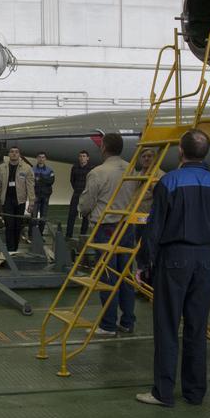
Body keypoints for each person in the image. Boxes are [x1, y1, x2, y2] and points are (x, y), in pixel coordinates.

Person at [135, 128, 210, 407]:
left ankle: (163, 392)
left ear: (180, 150)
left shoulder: (169, 182)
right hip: (205, 262)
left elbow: (155, 228)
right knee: (197, 329)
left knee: (167, 326)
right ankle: (195, 392)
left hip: (174, 260)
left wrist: (143, 263)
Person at [78, 133, 138, 335]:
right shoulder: (132, 168)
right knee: (126, 275)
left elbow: (86, 204)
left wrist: (83, 212)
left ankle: (108, 324)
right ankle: (128, 321)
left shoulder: (98, 172)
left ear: (103, 147)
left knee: (107, 277)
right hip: (127, 227)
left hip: (106, 229)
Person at [0, 146, 35, 254]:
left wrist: (31, 202)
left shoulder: (26, 168)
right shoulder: (2, 168)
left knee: (17, 225)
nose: (14, 154)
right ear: (8, 154)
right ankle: (10, 249)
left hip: (20, 201)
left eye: (16, 152)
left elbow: (30, 186)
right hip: (7, 200)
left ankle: (15, 247)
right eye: (12, 152)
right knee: (9, 224)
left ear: (19, 154)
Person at [66, 150, 92, 239]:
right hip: (76, 193)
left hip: (86, 195)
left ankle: (82, 235)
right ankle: (68, 235)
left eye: (84, 156)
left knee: (85, 217)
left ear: (87, 158)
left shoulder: (91, 169)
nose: (82, 158)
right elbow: (72, 180)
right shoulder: (75, 167)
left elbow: (92, 182)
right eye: (80, 156)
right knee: (72, 215)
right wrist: (77, 189)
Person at [136, 147, 166, 218]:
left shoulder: (161, 176)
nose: (146, 158)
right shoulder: (136, 175)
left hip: (152, 216)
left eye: (149, 156)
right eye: (143, 156)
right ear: (140, 159)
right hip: (135, 216)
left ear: (155, 159)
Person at [31, 152, 55, 236]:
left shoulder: (50, 170)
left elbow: (51, 181)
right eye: (39, 157)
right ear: (37, 158)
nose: (41, 159)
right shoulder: (32, 169)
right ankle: (32, 235)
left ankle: (40, 235)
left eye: (43, 157)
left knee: (43, 216)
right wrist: (44, 179)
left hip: (45, 196)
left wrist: (40, 179)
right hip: (35, 195)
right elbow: (31, 182)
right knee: (33, 216)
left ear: (45, 159)